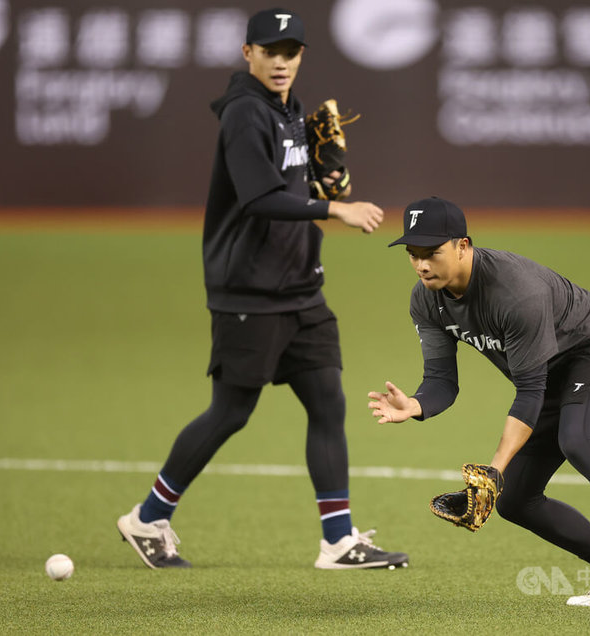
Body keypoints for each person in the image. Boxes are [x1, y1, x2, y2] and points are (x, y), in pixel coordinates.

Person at [117, 7, 408, 571]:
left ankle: (339, 540)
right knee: (230, 412)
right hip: (248, 290)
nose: (281, 62)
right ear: (247, 53)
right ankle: (148, 518)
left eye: (291, 51)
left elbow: (291, 185)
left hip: (301, 290)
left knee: (328, 402)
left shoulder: (291, 107)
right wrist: (335, 207)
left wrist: (323, 180)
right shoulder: (245, 115)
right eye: (270, 51)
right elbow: (259, 198)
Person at [367, 196, 590, 607]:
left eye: (432, 253)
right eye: (413, 255)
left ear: (463, 246)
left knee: (577, 440)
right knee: (516, 499)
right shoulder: (426, 300)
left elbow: (528, 392)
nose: (421, 265)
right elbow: (441, 382)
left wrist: (494, 470)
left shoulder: (513, 292)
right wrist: (415, 405)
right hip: (546, 372)